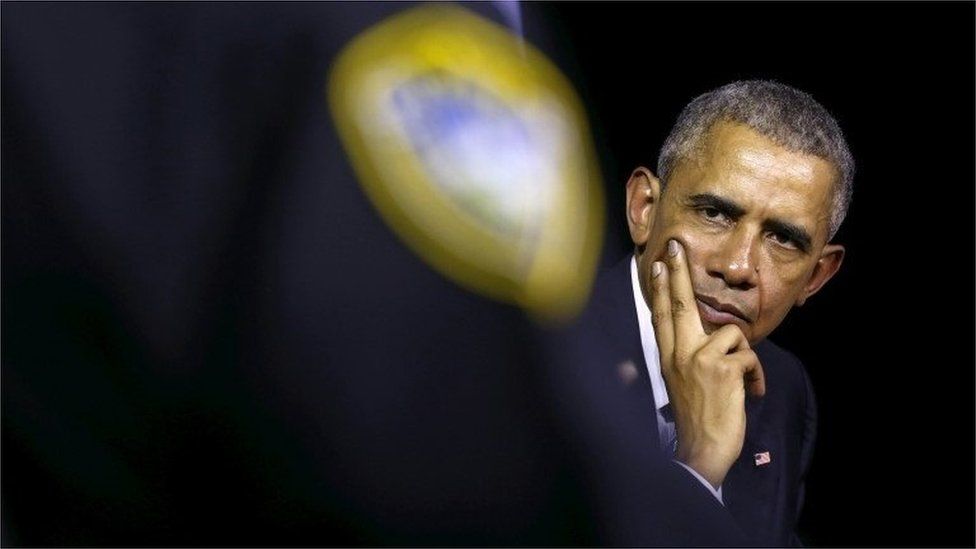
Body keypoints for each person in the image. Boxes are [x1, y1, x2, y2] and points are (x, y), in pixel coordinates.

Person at [551, 79, 852, 546]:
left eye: (783, 240)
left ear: (815, 277)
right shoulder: (537, 354)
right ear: (643, 209)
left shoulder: (784, 389)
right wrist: (699, 467)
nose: (737, 267)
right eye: (714, 213)